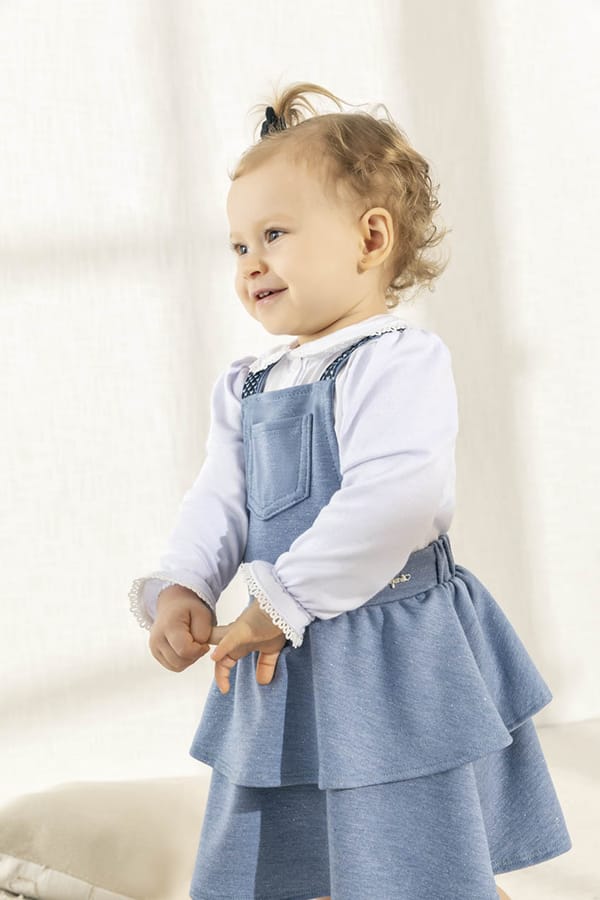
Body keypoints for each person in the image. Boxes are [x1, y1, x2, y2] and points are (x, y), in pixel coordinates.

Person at [128, 81, 572, 900]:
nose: (250, 262)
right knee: (286, 837)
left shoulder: (396, 361)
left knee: (408, 836)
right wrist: (185, 584)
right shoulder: (249, 383)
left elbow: (394, 500)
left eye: (274, 234)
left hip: (388, 648)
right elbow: (220, 498)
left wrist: (282, 598)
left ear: (370, 238)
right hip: (277, 649)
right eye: (238, 245)